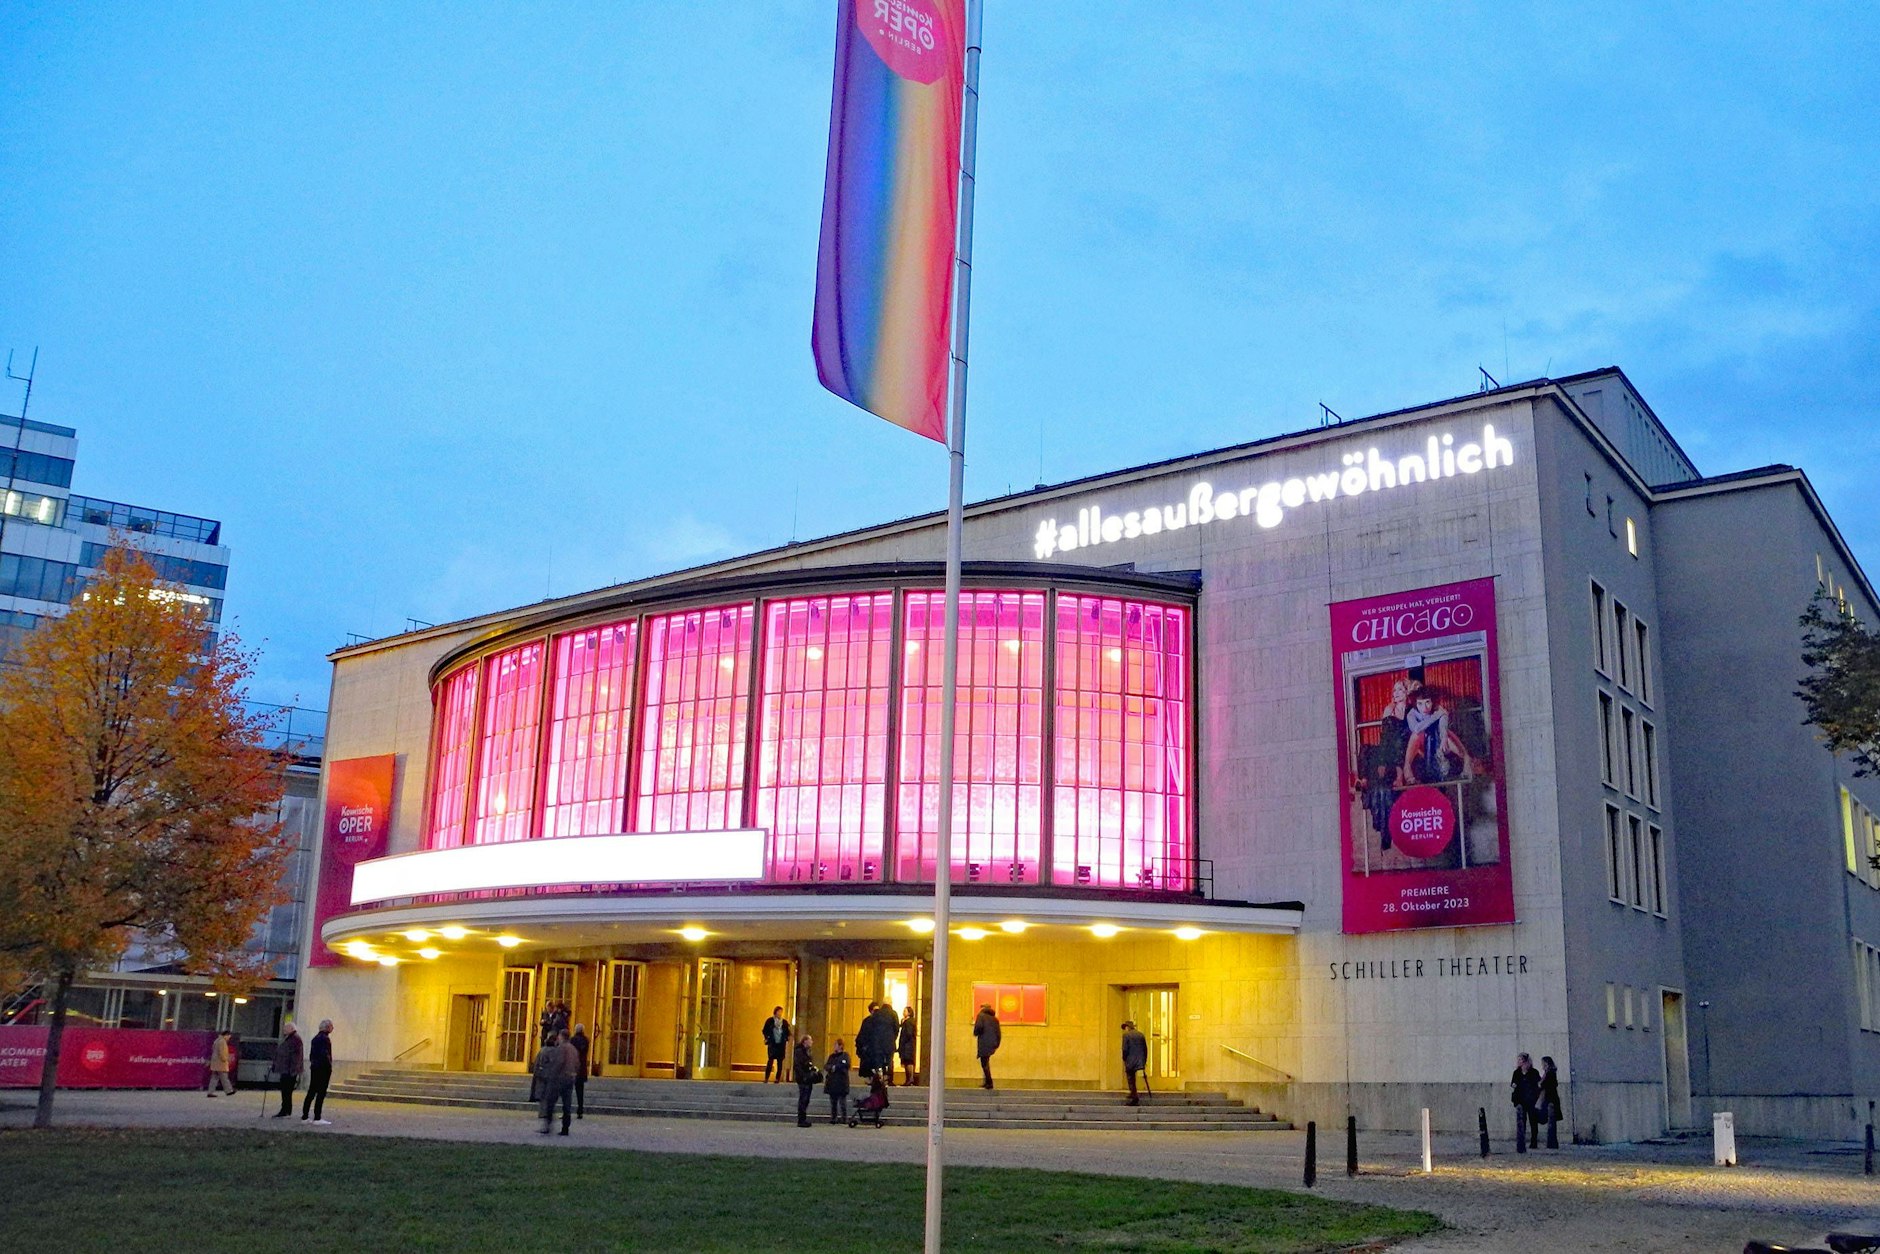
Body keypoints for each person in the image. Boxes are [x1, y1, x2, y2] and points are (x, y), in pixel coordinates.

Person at [300, 1019, 334, 1124]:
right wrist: (329, 1067)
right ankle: (317, 1117)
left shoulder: (315, 1039)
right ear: (327, 1027)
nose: (332, 1028)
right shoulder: (325, 1039)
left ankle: (305, 1116)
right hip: (323, 1069)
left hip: (315, 1067)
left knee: (311, 1091)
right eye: (331, 1026)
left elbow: (312, 1055)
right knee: (321, 1093)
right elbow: (325, 1054)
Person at [1509, 1052, 1541, 1152]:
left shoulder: (1534, 1072)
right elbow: (1513, 1084)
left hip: (1531, 1100)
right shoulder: (1517, 1073)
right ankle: (1521, 1141)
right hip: (1520, 1100)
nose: (1519, 1062)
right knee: (1522, 1121)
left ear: (1526, 1061)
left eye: (1520, 1060)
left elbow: (1537, 1084)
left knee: (1533, 1121)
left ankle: (1534, 1141)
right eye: (1518, 1060)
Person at [271, 1022, 304, 1118]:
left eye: (285, 1028)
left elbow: (297, 1057)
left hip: (289, 1070)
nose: (283, 1030)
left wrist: (294, 1070)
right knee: (285, 1091)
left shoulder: (295, 1039)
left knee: (286, 1091)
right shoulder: (290, 1038)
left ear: (291, 1029)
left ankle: (285, 1110)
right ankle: (286, 1110)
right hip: (286, 1069)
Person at [869, 1002, 901, 1084]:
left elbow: (872, 1027)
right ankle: (890, 1080)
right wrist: (893, 1037)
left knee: (879, 1062)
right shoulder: (893, 1014)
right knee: (889, 1060)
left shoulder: (877, 1014)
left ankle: (879, 1080)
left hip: (878, 1042)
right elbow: (896, 1027)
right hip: (889, 1042)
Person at [824, 1037, 852, 1124]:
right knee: (833, 1102)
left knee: (842, 1102)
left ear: (840, 1046)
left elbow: (846, 1065)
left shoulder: (845, 1056)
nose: (834, 1046)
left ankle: (844, 1118)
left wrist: (835, 1067)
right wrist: (830, 1068)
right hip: (832, 1082)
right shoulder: (831, 1056)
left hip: (841, 1082)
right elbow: (826, 1066)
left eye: (836, 1044)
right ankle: (833, 1118)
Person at [1120, 1020, 1149, 1106]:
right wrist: (1144, 1060)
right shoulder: (1141, 1035)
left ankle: (1134, 1096)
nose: (1124, 1029)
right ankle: (1133, 1093)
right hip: (1140, 1060)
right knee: (1133, 1077)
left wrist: (1124, 1058)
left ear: (1127, 1027)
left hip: (1130, 1060)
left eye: (1125, 1027)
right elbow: (1145, 1049)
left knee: (1130, 1077)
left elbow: (1125, 1049)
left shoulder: (1126, 1035)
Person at [972, 1004, 1001, 1090]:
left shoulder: (981, 1016)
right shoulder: (995, 1019)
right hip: (992, 1043)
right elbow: (998, 1033)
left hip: (984, 1042)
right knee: (986, 1061)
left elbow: (979, 1027)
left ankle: (989, 1082)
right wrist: (996, 1044)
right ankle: (987, 1082)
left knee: (984, 1063)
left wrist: (976, 1033)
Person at [793, 1034, 818, 1128]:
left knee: (806, 1098)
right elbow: (798, 1065)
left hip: (808, 1078)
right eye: (810, 1040)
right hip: (803, 1078)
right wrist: (803, 1076)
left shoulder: (807, 1051)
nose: (812, 1042)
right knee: (803, 1098)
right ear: (805, 1041)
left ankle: (803, 1118)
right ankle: (801, 1119)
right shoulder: (800, 1052)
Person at [762, 1006, 792, 1083]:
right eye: (779, 1012)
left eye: (781, 1012)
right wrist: (767, 1038)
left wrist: (787, 1038)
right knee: (770, 1060)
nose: (780, 1013)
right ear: (775, 1012)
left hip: (781, 1044)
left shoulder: (784, 1022)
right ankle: (766, 1078)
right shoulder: (770, 1021)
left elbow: (788, 1032)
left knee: (780, 1062)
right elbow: (765, 1030)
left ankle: (777, 1078)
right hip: (772, 1043)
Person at [1538, 1056, 1562, 1149]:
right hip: (1549, 1097)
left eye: (1543, 1063)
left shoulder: (1550, 1074)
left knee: (1551, 1119)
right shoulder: (1547, 1073)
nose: (1542, 1066)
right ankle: (1552, 1142)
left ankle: (1552, 1142)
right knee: (1550, 1119)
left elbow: (1546, 1084)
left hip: (1550, 1098)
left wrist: (1541, 1084)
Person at [569, 1023, 590, 1119]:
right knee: (580, 1090)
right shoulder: (586, 1040)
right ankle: (580, 1110)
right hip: (582, 1068)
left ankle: (567, 1110)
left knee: (568, 1090)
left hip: (573, 1067)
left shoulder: (572, 1040)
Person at [207, 1031, 235, 1097]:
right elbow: (222, 1053)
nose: (228, 1038)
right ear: (226, 1035)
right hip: (221, 1063)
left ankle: (210, 1092)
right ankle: (229, 1091)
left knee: (214, 1078)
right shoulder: (222, 1042)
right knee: (224, 1078)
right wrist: (225, 1059)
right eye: (229, 1037)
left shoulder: (216, 1040)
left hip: (215, 1063)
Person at [896, 1007, 917, 1086]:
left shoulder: (908, 1022)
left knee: (908, 1062)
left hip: (907, 1046)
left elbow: (908, 1033)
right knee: (908, 1062)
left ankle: (910, 1079)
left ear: (909, 1013)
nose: (903, 1012)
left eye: (905, 1011)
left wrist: (903, 1042)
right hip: (909, 1045)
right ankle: (909, 1079)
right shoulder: (909, 1022)